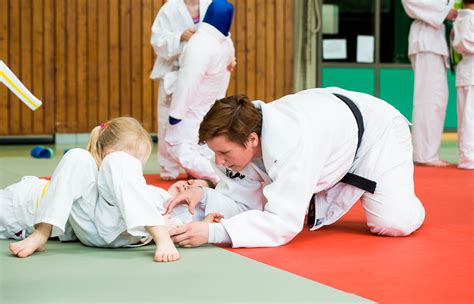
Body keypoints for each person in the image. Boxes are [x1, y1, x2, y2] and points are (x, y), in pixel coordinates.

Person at [164, 88, 426, 248]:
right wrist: (206, 196)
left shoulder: (292, 143)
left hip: (376, 132)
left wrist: (213, 233)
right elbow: (243, 202)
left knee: (394, 223)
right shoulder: (241, 132)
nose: (218, 162)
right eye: (214, 153)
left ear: (251, 140)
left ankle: (402, 196)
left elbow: (282, 224)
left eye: (223, 153)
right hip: (330, 127)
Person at [4, 117, 181, 262]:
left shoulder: (126, 178)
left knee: (121, 167)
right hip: (88, 227)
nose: (136, 166)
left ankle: (161, 235)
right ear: (108, 152)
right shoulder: (93, 168)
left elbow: (160, 202)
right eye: (135, 160)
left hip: (119, 230)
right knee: (76, 155)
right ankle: (41, 233)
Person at [161, 0, 235, 185]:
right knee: (203, 148)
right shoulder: (227, 42)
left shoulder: (200, 44)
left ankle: (223, 179)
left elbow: (188, 81)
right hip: (210, 104)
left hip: (192, 105)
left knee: (178, 146)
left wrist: (176, 113)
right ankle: (223, 176)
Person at [150, 0, 211, 181]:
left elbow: (222, 34)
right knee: (168, 120)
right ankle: (169, 168)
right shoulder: (170, 8)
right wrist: (179, 37)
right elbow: (157, 41)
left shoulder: (210, 6)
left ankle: (199, 166)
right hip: (172, 72)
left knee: (200, 118)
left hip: (200, 72)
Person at [402, 0, 458, 167]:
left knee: (436, 99)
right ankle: (425, 155)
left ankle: (427, 152)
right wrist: (445, 11)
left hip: (434, 41)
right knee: (428, 99)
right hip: (426, 40)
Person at [452, 0, 474, 169]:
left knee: (466, 116)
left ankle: (467, 155)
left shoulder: (460, 18)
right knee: (469, 116)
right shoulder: (469, 18)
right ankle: (468, 157)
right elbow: (465, 43)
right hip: (470, 70)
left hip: (466, 70)